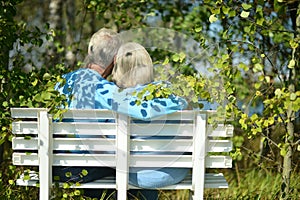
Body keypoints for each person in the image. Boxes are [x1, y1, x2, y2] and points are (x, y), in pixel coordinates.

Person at [53, 28, 188, 199]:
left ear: (89, 51)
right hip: (80, 168)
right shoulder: (105, 90)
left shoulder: (60, 83)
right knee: (124, 162)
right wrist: (180, 100)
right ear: (115, 59)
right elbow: (141, 108)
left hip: (55, 165)